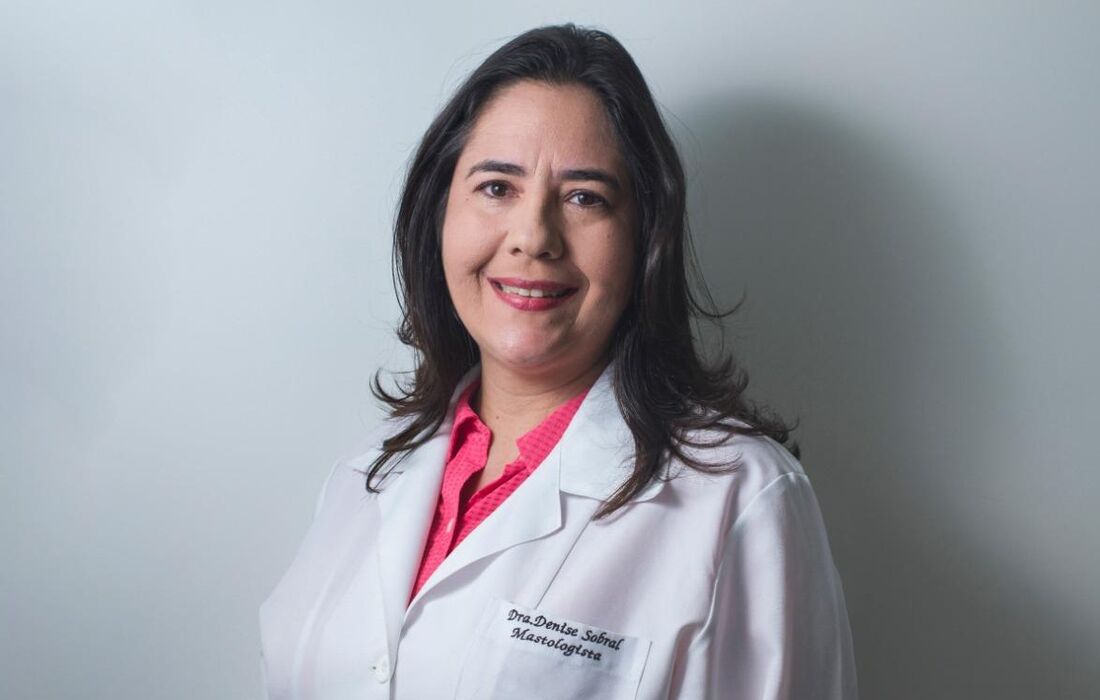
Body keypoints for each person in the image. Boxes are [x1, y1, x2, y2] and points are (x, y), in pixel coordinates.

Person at [259, 23, 857, 700]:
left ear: (644, 240)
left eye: (584, 197)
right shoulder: (364, 476)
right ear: (440, 214)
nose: (534, 237)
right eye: (496, 187)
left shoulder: (740, 497)